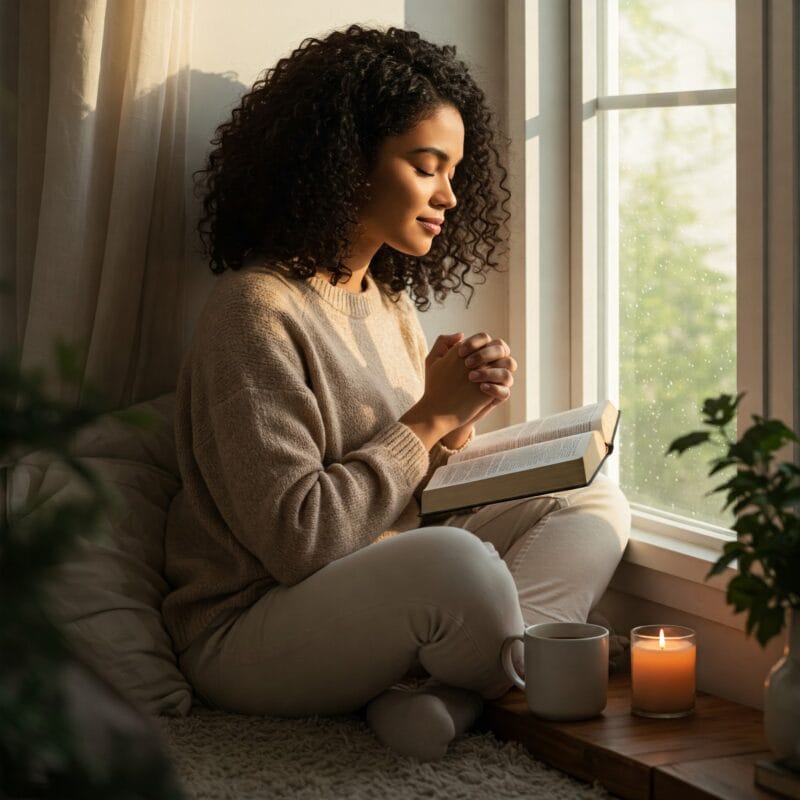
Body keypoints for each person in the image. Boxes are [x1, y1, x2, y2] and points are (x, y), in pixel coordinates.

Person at [162, 24, 630, 761]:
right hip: (251, 627)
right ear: (346, 163)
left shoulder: (385, 301)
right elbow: (299, 539)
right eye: (426, 165)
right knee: (457, 566)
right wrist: (427, 415)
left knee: (591, 496)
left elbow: (410, 486)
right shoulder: (253, 311)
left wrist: (457, 422)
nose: (449, 194)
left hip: (371, 585)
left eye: (455, 171)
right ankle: (505, 673)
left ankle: (439, 693)